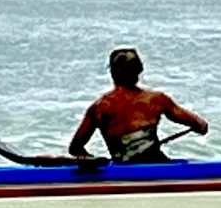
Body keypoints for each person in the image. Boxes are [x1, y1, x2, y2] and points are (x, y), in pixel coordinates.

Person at [68, 46, 209, 163]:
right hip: (157, 165)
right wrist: (198, 125)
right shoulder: (157, 99)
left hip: (121, 169)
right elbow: (201, 125)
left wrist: (91, 161)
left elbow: (75, 148)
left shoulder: (99, 108)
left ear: (112, 72)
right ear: (139, 72)